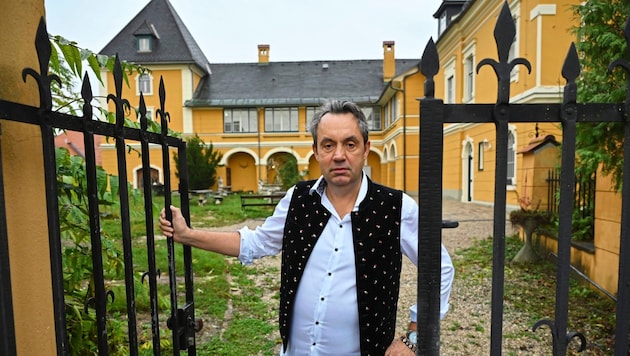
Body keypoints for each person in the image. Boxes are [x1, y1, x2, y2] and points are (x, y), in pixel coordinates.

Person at [160, 99, 454, 355]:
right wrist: (187, 235)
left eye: (350, 144)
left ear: (366, 149)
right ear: (316, 151)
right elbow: (255, 243)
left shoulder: (396, 206)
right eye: (328, 145)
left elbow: (439, 268)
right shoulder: (297, 199)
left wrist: (413, 336)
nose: (339, 154)